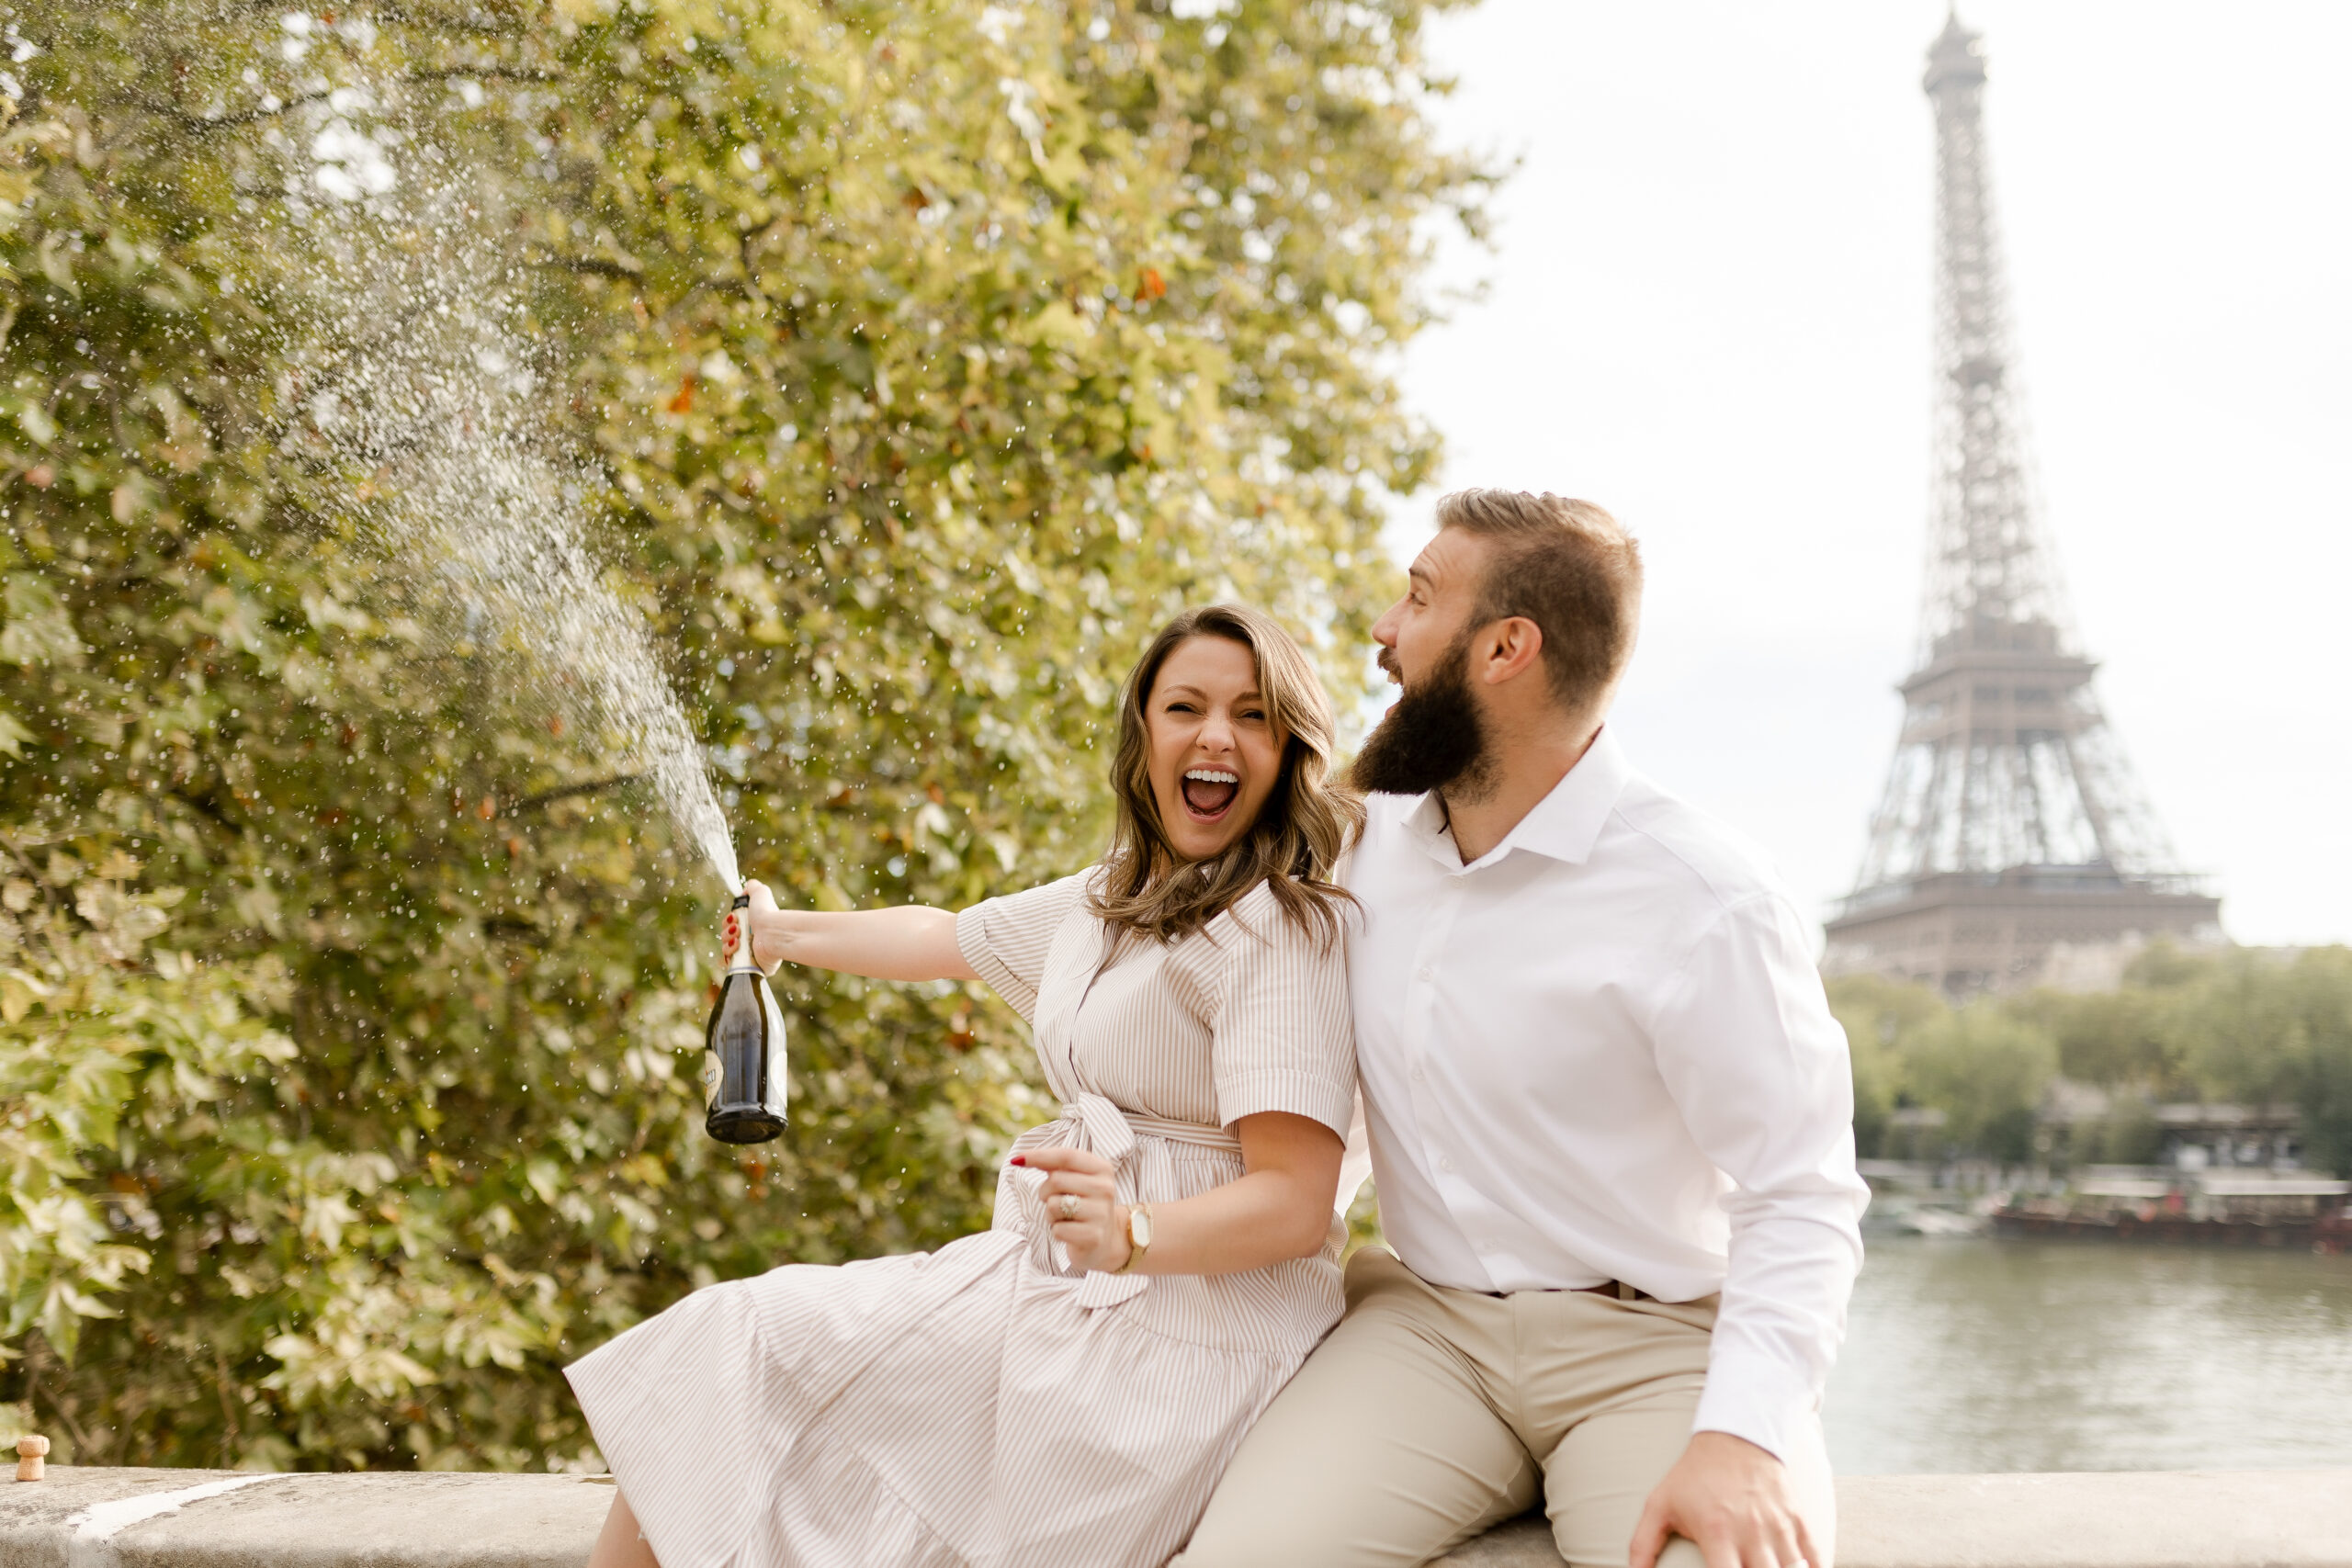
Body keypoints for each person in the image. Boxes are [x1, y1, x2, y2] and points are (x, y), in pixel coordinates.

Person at [566, 604, 1365, 1568]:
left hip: (1188, 1334)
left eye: (1250, 715)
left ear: (1287, 749)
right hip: (1065, 1283)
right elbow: (942, 937)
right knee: (731, 1363)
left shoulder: (1279, 928)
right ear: (1143, 737)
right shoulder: (1114, 896)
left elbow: (1294, 1200)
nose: (1212, 736)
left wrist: (1133, 1235)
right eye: (1183, 707)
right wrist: (780, 936)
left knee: (753, 1350)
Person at [1176, 491, 1870, 1568]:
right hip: (1429, 1333)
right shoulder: (1363, 848)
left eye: (1416, 597)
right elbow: (1143, 919)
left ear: (1505, 648)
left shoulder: (1706, 902)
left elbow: (1803, 1195)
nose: (1382, 630)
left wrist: (1742, 1436)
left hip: (1660, 1350)